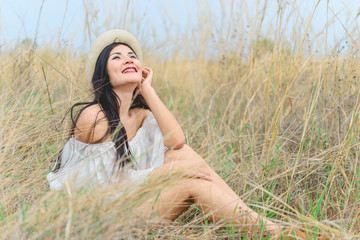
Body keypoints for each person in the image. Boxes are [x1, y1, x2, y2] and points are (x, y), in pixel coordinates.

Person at [47, 29, 325, 239]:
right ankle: (277, 233)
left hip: (132, 206)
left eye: (132, 56)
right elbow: (96, 188)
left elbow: (177, 141)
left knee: (185, 156)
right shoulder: (94, 116)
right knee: (191, 180)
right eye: (116, 57)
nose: (128, 59)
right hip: (99, 219)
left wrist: (148, 92)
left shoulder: (140, 116)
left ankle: (268, 227)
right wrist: (166, 174)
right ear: (104, 73)